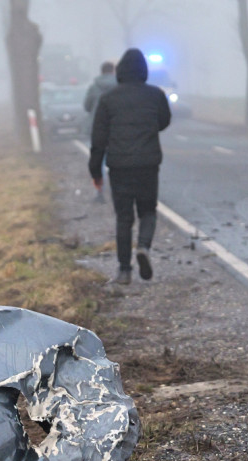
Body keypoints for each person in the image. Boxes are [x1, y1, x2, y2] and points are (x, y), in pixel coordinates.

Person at [89, 48, 171, 285]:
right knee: (147, 211)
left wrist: (96, 171)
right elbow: (164, 121)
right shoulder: (155, 95)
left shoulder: (108, 99)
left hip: (119, 166)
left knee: (124, 218)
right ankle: (143, 246)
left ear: (120, 72)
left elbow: (98, 139)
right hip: (148, 164)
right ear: (144, 71)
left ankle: (124, 270)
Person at [84, 61, 117, 202]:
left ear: (101, 71)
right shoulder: (119, 86)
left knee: (99, 161)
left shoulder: (93, 87)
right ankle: (117, 190)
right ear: (113, 71)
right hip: (115, 128)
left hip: (97, 128)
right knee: (117, 160)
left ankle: (99, 192)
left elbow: (87, 106)